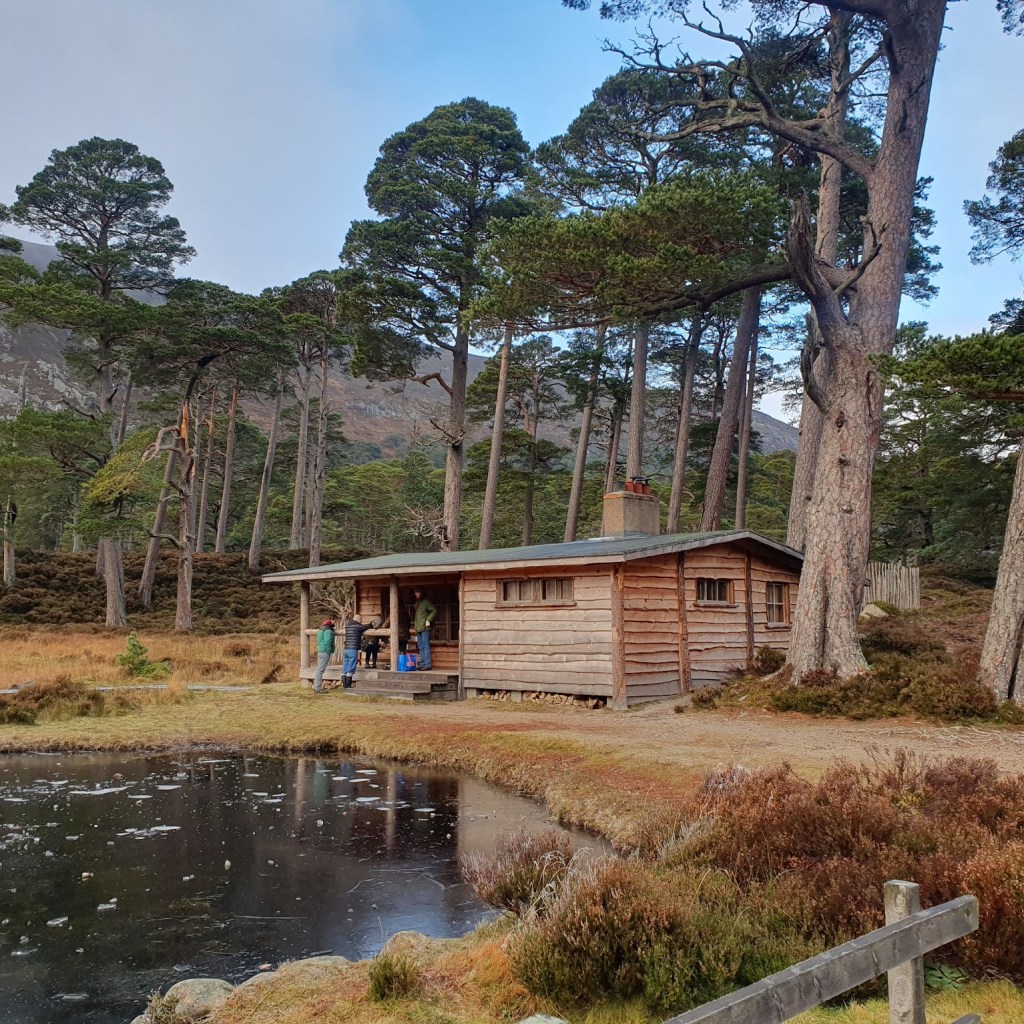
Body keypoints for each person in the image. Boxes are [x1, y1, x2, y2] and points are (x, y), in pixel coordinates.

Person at [342, 614, 371, 689]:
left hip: (346, 649)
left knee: (345, 666)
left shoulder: (347, 626)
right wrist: (371, 624)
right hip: (353, 649)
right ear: (359, 620)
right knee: (351, 667)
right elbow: (365, 627)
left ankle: (344, 685)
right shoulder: (358, 626)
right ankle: (348, 686)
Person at [413, 588, 437, 671]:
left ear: (421, 593)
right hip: (419, 627)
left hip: (425, 627)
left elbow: (434, 610)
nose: (415, 595)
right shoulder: (418, 603)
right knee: (420, 647)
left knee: (426, 646)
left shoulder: (426, 602)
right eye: (415, 593)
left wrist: (428, 620)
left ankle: (427, 664)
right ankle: (423, 664)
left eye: (417, 593)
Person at [313, 619, 335, 694]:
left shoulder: (320, 630)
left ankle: (316, 687)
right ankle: (318, 689)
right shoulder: (328, 631)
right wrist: (330, 651)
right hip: (325, 652)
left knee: (319, 670)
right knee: (320, 670)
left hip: (320, 651)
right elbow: (328, 641)